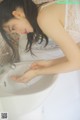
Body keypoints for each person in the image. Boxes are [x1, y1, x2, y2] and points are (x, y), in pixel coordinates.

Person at [0, 0, 80, 83]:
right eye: (14, 32)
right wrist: (49, 63)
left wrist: (36, 72)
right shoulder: (45, 9)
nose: (19, 32)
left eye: (13, 28)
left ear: (18, 14)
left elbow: (77, 63)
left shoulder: (44, 18)